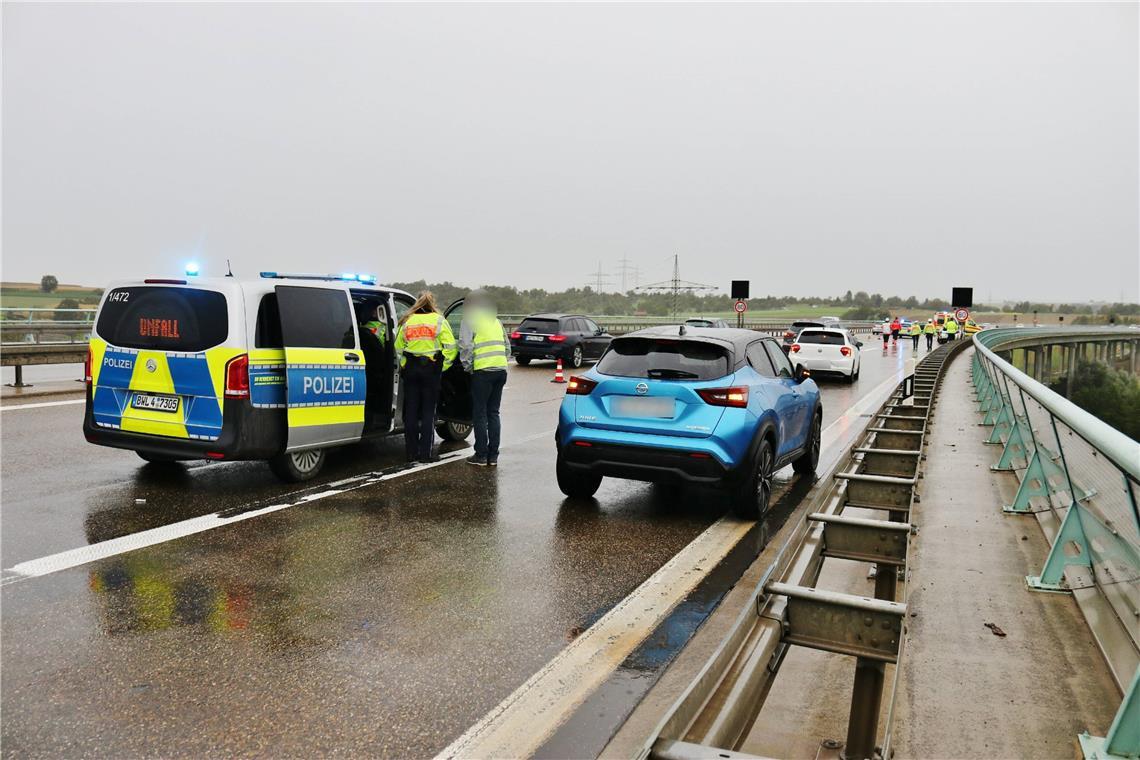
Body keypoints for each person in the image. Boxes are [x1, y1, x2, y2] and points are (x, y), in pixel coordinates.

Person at [394, 291, 457, 463]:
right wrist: (442, 367)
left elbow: (398, 348)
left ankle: (411, 453)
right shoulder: (439, 320)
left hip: (412, 370)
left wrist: (405, 365)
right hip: (430, 369)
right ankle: (425, 454)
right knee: (429, 412)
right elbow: (451, 348)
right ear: (432, 303)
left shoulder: (407, 321)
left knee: (411, 412)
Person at [458, 289, 510, 466]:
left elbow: (465, 346)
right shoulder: (496, 321)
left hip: (482, 372)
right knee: (493, 413)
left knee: (479, 414)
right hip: (500, 370)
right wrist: (501, 363)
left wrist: (468, 366)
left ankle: (480, 454)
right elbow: (507, 347)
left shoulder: (470, 320)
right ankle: (493, 456)